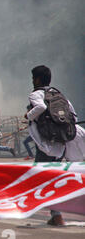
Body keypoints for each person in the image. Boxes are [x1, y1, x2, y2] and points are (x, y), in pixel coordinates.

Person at [25, 65, 85, 226]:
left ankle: (56, 214)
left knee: (43, 177)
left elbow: (41, 107)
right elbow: (73, 115)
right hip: (63, 141)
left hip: (46, 143)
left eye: (33, 78)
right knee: (50, 176)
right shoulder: (58, 94)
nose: (32, 81)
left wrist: (28, 115)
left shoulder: (36, 94)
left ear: (37, 79)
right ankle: (54, 212)